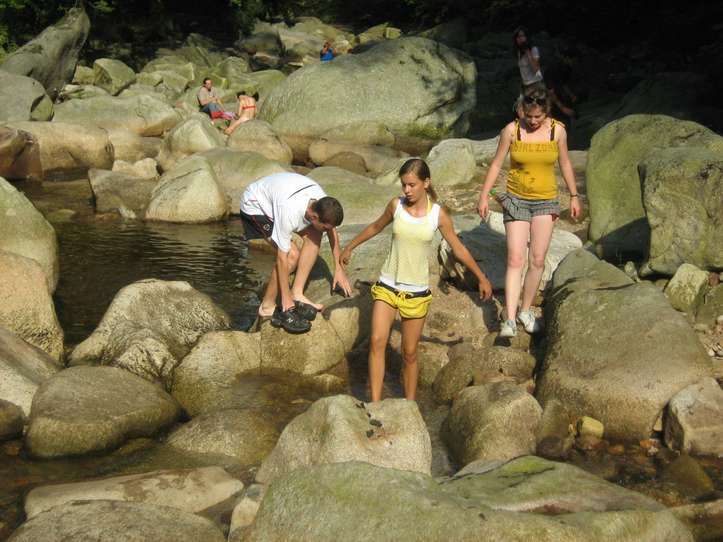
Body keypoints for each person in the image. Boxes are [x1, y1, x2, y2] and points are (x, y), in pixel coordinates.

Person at [341, 159, 492, 401]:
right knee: (377, 342)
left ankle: (410, 405)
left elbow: (458, 248)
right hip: (388, 285)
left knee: (409, 353)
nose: (407, 190)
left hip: (416, 293)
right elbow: (375, 227)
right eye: (404, 185)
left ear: (426, 183)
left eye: (412, 185)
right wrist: (350, 246)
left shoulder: (438, 215)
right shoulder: (396, 206)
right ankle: (375, 403)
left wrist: (481, 277)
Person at [477, 85, 582, 338]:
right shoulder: (511, 131)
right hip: (516, 200)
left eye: (539, 116)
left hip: (546, 201)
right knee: (515, 259)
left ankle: (525, 310)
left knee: (537, 260)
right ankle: (510, 319)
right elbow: (496, 164)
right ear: (522, 109)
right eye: (529, 116)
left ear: (547, 111)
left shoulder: (558, 131)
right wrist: (484, 195)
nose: (533, 121)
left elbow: (565, 163)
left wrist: (574, 195)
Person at [240, 172, 352, 334]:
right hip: (256, 205)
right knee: (292, 255)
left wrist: (339, 269)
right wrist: (286, 301)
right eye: (325, 226)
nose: (328, 230)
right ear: (314, 216)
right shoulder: (288, 212)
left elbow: (331, 230)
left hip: (281, 194)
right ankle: (267, 306)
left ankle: (297, 293)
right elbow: (282, 258)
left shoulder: (322, 202)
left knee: (316, 233)